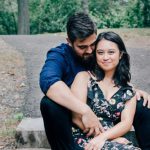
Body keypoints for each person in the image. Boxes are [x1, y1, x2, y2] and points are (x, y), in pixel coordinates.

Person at [40, 12, 150, 150]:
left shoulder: (98, 52)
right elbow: (48, 81)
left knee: (143, 103)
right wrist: (85, 110)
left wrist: (131, 91)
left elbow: (111, 73)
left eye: (93, 45)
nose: (90, 50)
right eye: (82, 47)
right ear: (69, 41)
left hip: (107, 115)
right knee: (49, 103)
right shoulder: (60, 56)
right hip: (75, 115)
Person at [71, 31, 140, 150]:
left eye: (111, 52)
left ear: (120, 54)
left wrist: (104, 137)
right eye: (100, 52)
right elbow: (76, 118)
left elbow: (126, 123)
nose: (105, 57)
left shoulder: (128, 90)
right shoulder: (83, 77)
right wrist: (104, 138)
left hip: (109, 138)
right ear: (95, 55)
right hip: (84, 137)